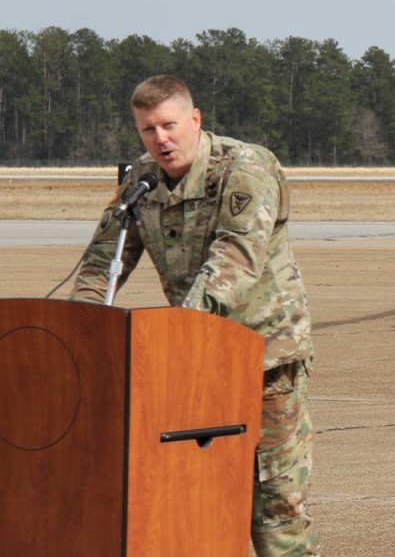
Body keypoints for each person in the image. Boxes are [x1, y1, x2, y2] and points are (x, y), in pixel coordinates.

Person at [71, 75, 319, 556]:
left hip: (267, 360)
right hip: (197, 364)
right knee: (198, 500)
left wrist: (180, 333)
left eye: (169, 125)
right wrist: (79, 334)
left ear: (195, 120)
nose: (160, 139)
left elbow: (236, 257)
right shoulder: (140, 182)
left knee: (276, 510)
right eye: (147, 129)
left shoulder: (245, 168)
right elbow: (103, 262)